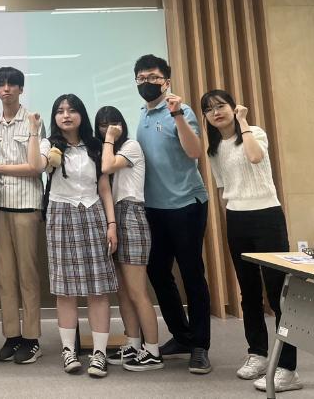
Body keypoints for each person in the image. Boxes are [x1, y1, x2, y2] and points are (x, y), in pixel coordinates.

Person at [200, 90, 301, 393]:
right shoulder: (214, 149)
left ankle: (288, 369)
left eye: (221, 106)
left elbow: (255, 157)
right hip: (237, 219)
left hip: (267, 216)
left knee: (279, 293)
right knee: (249, 292)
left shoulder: (254, 132)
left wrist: (243, 122)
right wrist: (231, 218)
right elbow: (223, 190)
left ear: (234, 108)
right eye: (209, 109)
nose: (216, 112)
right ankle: (258, 353)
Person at [134, 54, 211, 374]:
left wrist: (177, 114)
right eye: (141, 78)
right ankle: (182, 336)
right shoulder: (142, 115)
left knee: (192, 274)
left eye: (153, 77)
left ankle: (200, 345)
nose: (147, 83)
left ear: (166, 81)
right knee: (158, 272)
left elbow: (194, 152)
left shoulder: (182, 111)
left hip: (186, 205)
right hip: (154, 208)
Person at [41, 94, 117, 378]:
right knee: (65, 289)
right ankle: (68, 351)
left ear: (81, 115)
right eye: (60, 111)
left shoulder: (95, 146)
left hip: (93, 212)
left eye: (72, 110)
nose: (66, 115)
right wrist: (37, 139)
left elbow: (104, 187)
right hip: (60, 213)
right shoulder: (49, 145)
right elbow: (38, 166)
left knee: (98, 288)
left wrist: (111, 223)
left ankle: (99, 353)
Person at [0, 67, 44, 365]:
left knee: (27, 275)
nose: (6, 89)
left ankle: (32, 339)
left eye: (12, 84)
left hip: (26, 206)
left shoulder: (33, 120)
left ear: (21, 88)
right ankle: (12, 336)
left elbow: (34, 167)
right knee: (5, 276)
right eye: (1, 85)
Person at [95, 106, 163, 371]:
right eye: (103, 125)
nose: (109, 128)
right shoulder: (108, 149)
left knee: (137, 292)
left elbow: (107, 166)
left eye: (114, 122)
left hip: (132, 214)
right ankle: (133, 344)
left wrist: (109, 138)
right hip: (115, 216)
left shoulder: (130, 146)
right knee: (122, 291)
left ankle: (153, 351)